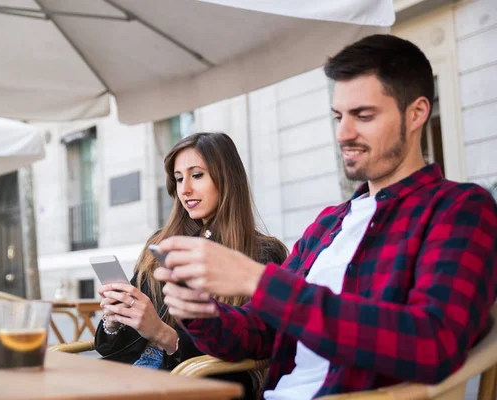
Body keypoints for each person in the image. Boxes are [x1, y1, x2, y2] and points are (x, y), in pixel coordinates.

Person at [154, 34, 497, 400]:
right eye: (338, 117)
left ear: (416, 113)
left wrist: (258, 280)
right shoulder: (328, 224)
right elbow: (260, 333)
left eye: (363, 116)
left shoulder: (459, 209)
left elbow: (432, 344)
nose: (343, 134)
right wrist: (202, 314)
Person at [95, 132, 288, 392]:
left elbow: (251, 352)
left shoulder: (262, 253)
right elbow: (112, 348)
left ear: (225, 178)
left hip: (197, 384)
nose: (184, 189)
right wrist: (115, 320)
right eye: (178, 179)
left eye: (197, 175)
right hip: (133, 377)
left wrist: (163, 334)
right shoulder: (162, 244)